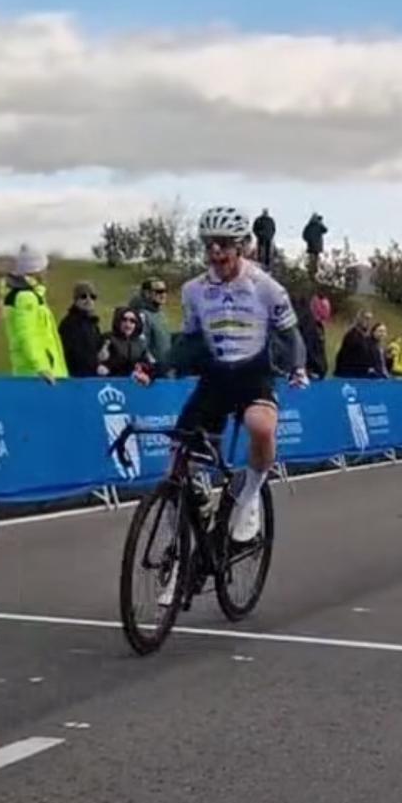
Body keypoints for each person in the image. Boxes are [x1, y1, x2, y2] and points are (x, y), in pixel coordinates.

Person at [177, 206, 308, 549]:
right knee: (176, 462)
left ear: (243, 246)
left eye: (223, 244)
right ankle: (192, 528)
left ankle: (249, 496)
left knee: (261, 426)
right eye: (209, 245)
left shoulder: (266, 287)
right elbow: (188, 341)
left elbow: (291, 335)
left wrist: (297, 367)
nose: (215, 252)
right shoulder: (192, 290)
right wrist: (152, 365)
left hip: (254, 374)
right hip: (216, 378)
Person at [3, 245, 67, 382]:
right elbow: (27, 335)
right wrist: (42, 367)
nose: (46, 273)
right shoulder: (26, 297)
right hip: (37, 376)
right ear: (35, 270)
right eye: (44, 268)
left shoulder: (30, 295)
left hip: (40, 374)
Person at [59, 281, 104, 378]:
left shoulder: (93, 323)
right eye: (83, 296)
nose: (88, 300)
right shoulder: (69, 324)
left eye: (92, 297)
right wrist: (95, 362)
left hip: (92, 376)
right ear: (75, 300)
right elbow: (74, 354)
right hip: (76, 378)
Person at [129, 278, 172, 374]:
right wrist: (153, 365)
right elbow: (141, 343)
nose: (163, 294)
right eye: (159, 291)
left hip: (165, 368)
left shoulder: (161, 314)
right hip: (153, 371)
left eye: (165, 291)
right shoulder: (142, 315)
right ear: (147, 293)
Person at [98, 307, 154, 381]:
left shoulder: (140, 342)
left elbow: (148, 363)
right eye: (124, 320)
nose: (128, 324)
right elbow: (99, 360)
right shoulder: (108, 338)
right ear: (118, 321)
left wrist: (145, 371)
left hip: (134, 383)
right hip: (111, 381)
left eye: (132, 321)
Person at [335, 309, 376, 378]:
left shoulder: (368, 338)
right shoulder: (352, 335)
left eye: (370, 319)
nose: (368, 321)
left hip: (363, 375)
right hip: (350, 374)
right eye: (366, 318)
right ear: (359, 319)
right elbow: (344, 355)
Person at [294, 296, 328, 380]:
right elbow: (308, 347)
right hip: (307, 371)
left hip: (312, 371)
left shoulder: (318, 326)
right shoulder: (308, 325)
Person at [302, 212, 328, 279]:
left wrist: (309, 240)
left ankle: (312, 274)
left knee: (313, 260)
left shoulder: (309, 226)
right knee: (314, 261)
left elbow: (304, 236)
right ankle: (313, 274)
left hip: (312, 246)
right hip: (315, 246)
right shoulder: (317, 226)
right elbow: (325, 230)